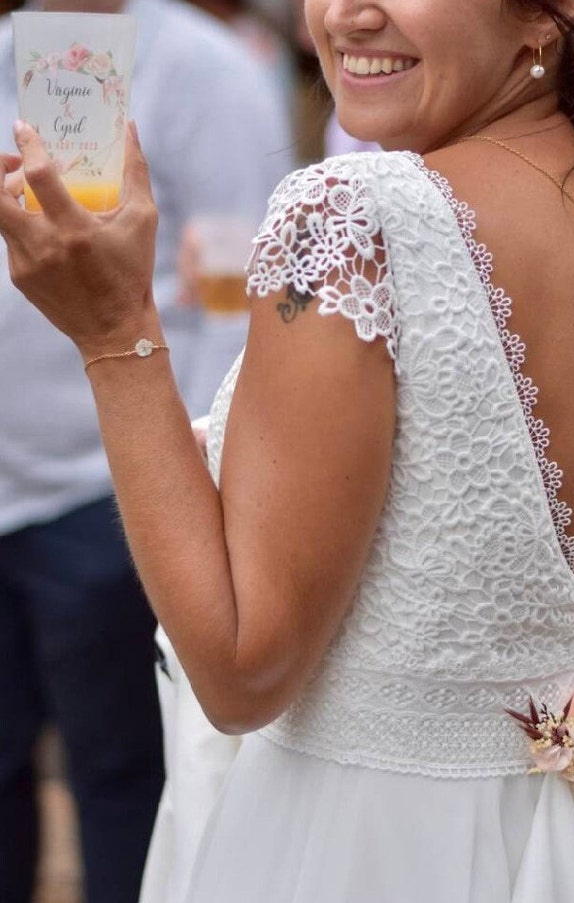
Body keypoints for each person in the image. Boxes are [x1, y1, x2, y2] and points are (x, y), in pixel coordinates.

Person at [0, 0, 574, 900]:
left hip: (365, 851)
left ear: (551, 12)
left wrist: (114, 333)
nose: (342, 14)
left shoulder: (354, 218)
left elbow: (241, 673)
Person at [0, 1, 293, 901]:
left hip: (107, 490)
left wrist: (186, 469)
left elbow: (242, 284)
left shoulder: (210, 71)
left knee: (125, 775)